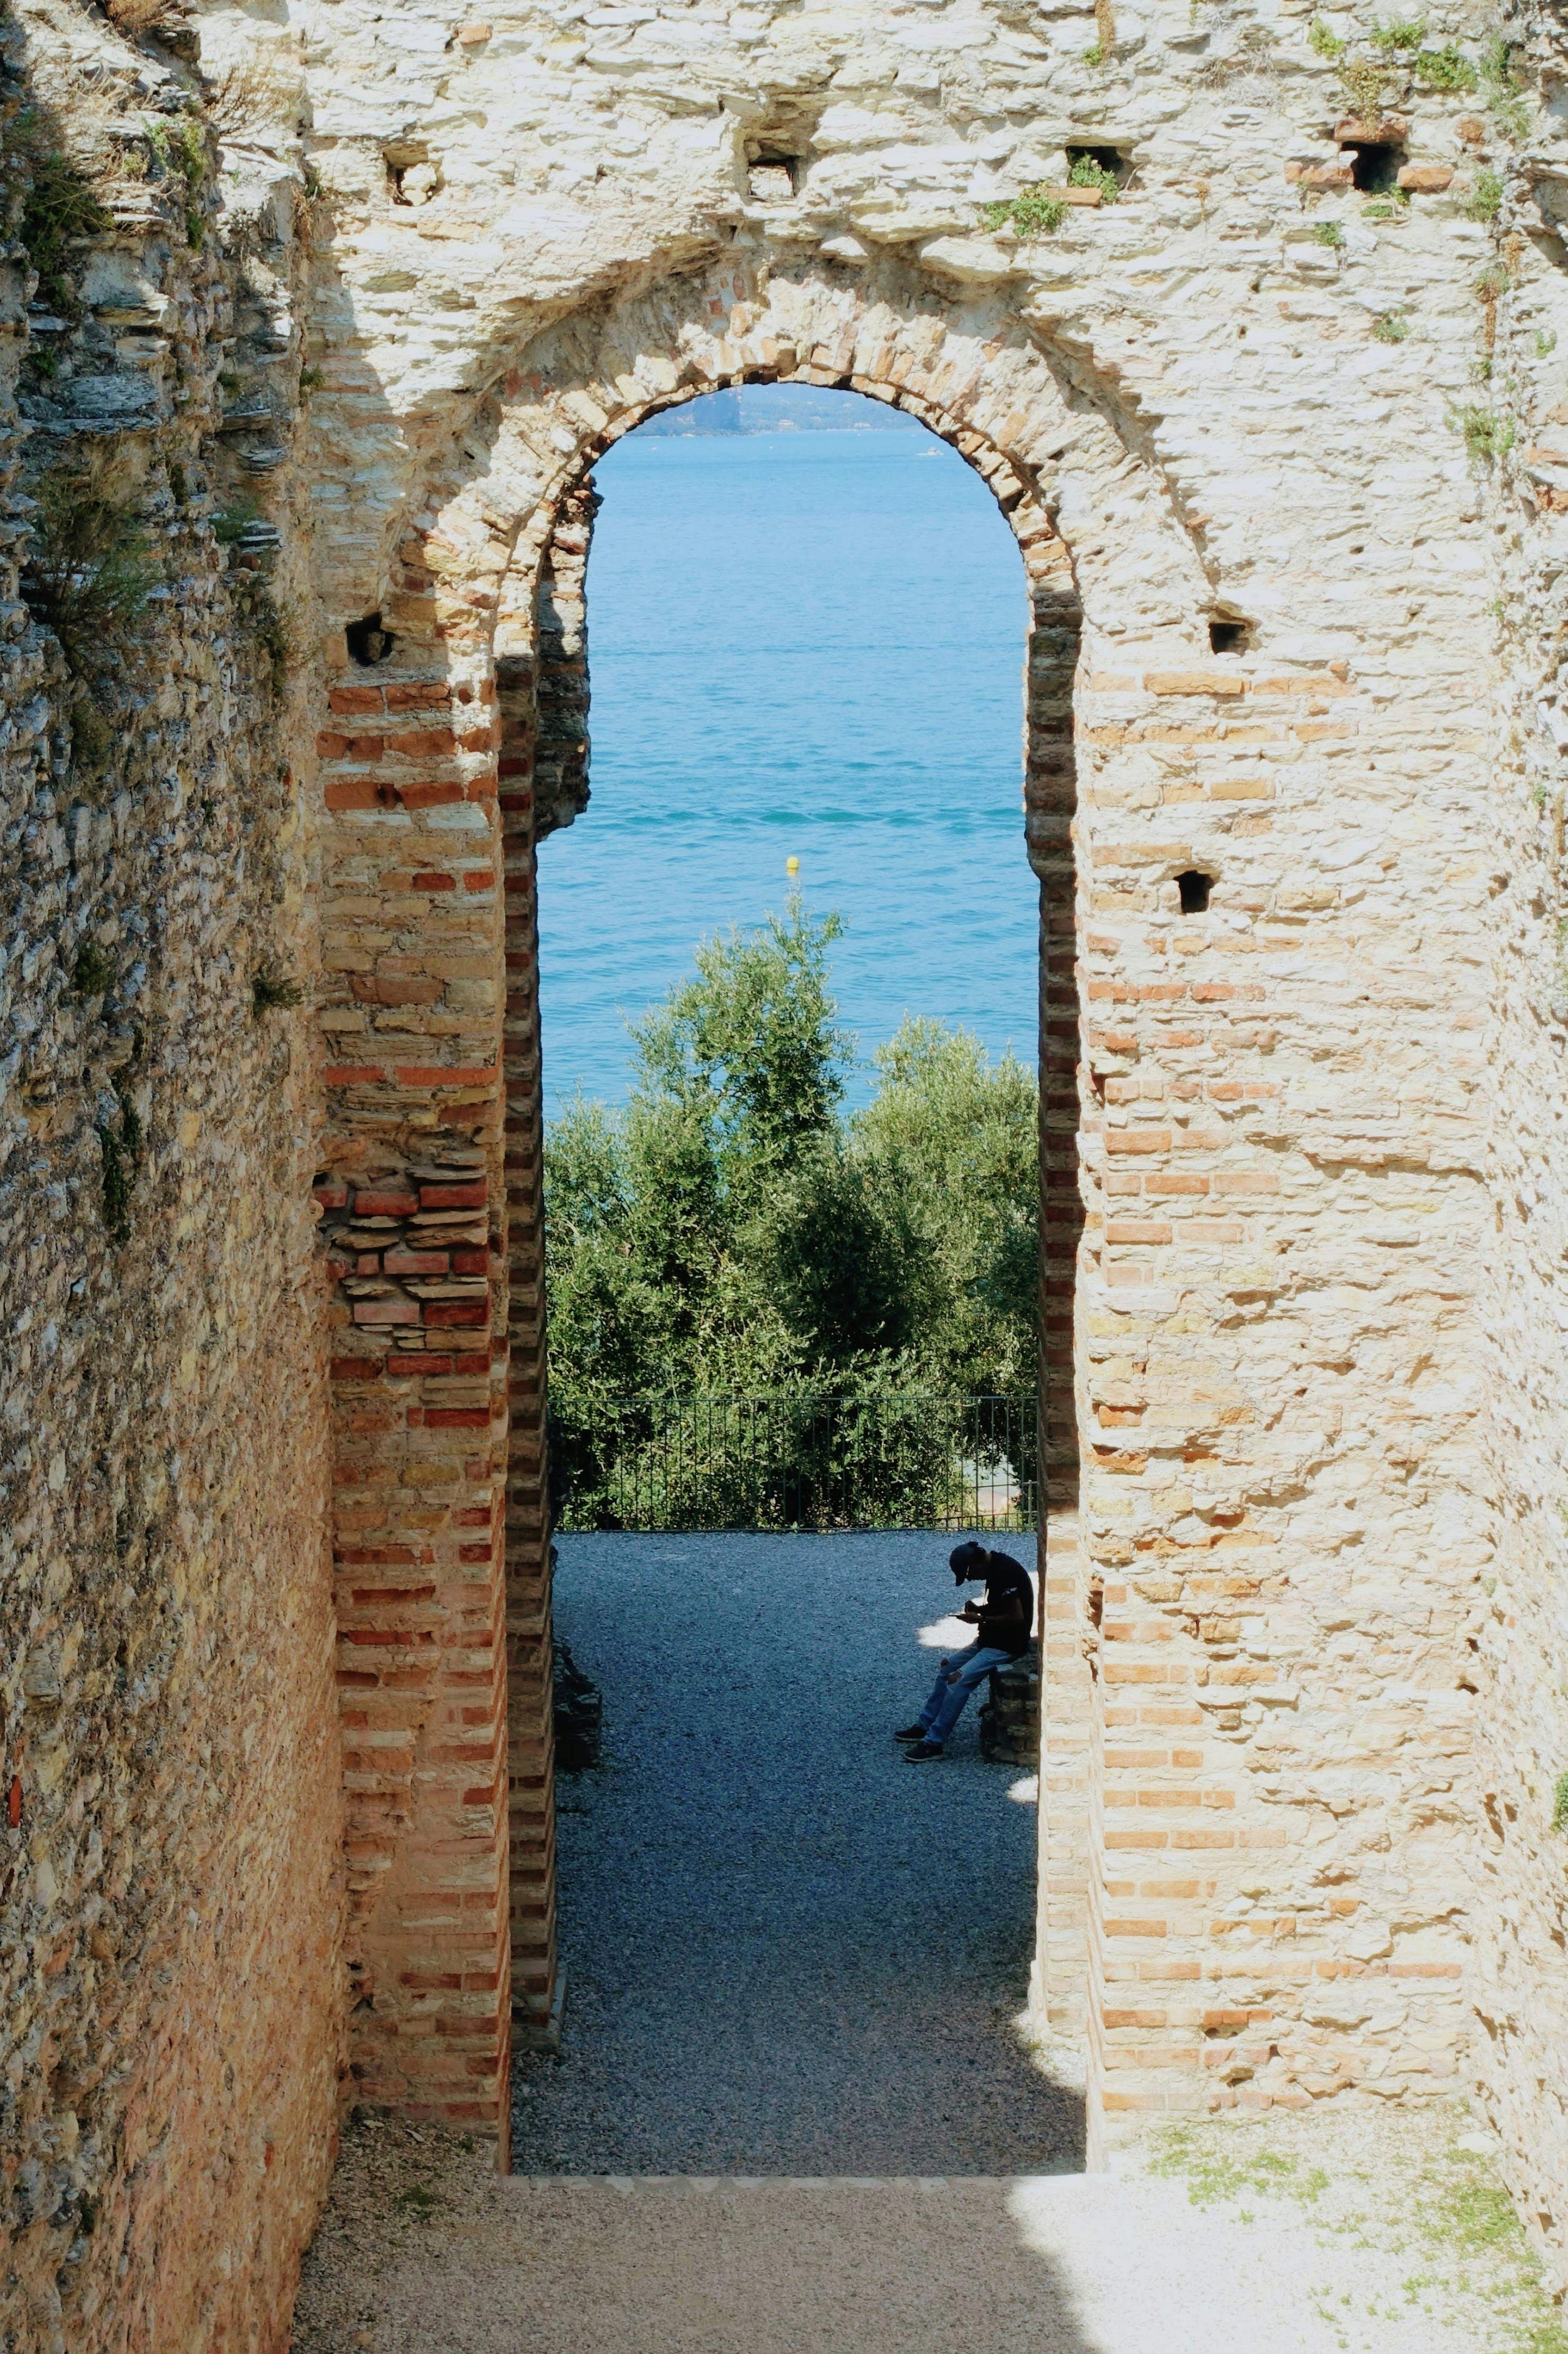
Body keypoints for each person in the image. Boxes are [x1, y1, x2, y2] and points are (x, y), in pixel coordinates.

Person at [896, 1539, 1034, 1763]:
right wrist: (979, 1610)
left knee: (956, 1681)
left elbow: (1016, 1617)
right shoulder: (995, 1567)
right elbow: (1002, 1606)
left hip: (1006, 1645)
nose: (971, 1579)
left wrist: (981, 1618)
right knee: (947, 1668)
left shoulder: (1005, 1573)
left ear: (976, 1561)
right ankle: (926, 1724)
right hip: (990, 1640)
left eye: (968, 1573)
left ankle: (934, 1743)